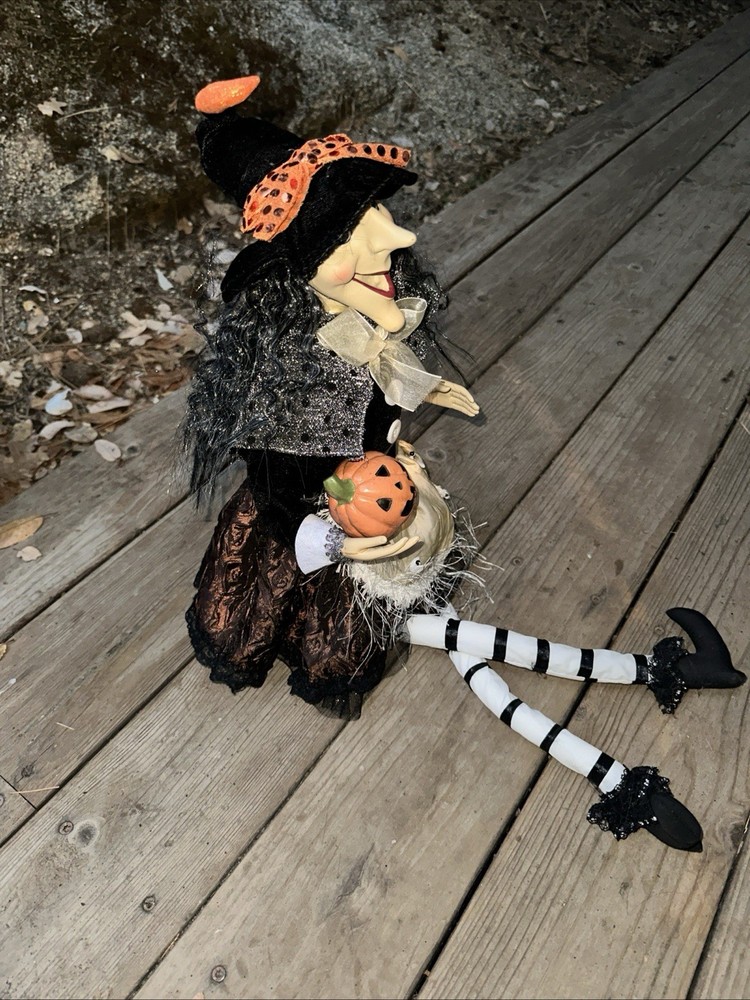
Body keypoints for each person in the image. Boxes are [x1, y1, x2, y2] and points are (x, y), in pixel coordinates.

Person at [184, 77, 744, 851]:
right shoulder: (285, 383)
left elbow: (374, 419)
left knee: (446, 628)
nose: (396, 238)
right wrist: (348, 538)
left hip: (379, 496)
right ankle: (624, 737)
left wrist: (399, 464)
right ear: (296, 272)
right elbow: (287, 500)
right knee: (430, 634)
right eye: (351, 234)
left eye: (378, 217)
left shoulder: (360, 328)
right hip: (317, 532)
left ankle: (649, 684)